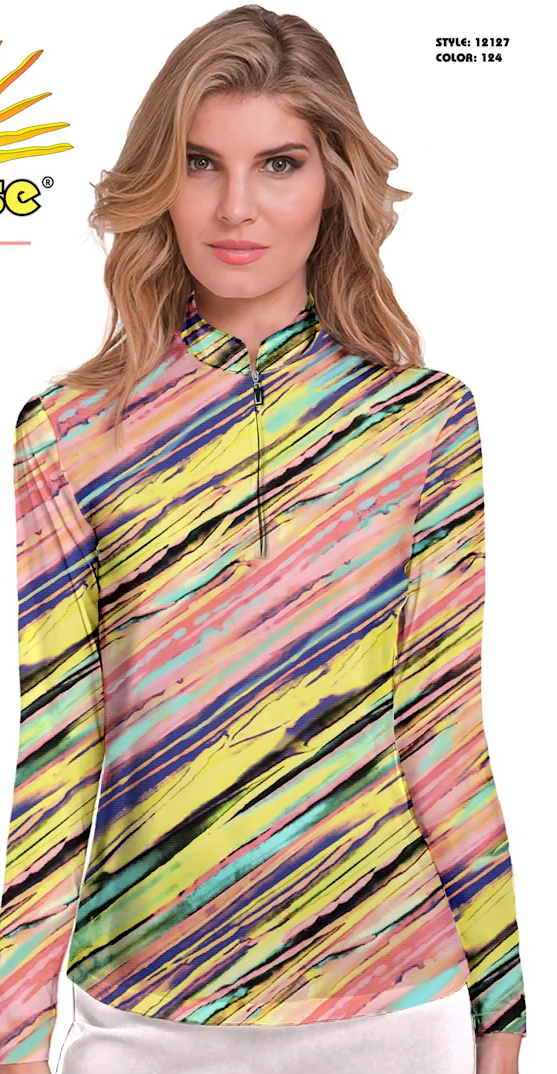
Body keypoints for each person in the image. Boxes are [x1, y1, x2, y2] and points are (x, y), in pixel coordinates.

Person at [0, 5, 527, 1074]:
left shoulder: (424, 421)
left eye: (278, 164)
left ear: (332, 183)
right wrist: (13, 1034)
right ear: (161, 181)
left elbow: (443, 732)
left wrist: (504, 1019)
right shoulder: (69, 432)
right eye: (201, 163)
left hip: (392, 1005)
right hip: (140, 1011)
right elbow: (58, 748)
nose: (234, 206)